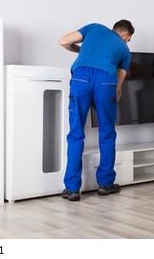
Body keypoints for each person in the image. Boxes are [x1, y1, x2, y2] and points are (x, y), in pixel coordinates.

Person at [58, 20, 134, 202]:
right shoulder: (125, 51)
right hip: (106, 80)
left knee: (76, 133)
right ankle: (105, 185)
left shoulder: (95, 28)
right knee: (107, 133)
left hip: (81, 77)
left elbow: (63, 41)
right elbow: (118, 88)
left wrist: (82, 51)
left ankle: (72, 189)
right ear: (124, 35)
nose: (127, 43)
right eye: (129, 39)